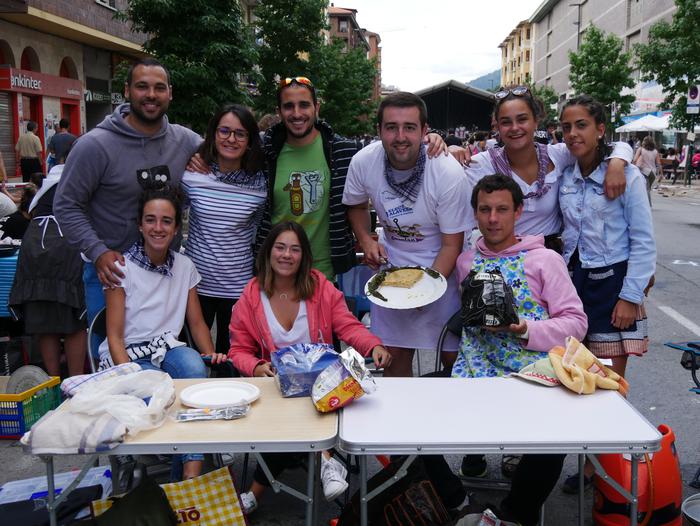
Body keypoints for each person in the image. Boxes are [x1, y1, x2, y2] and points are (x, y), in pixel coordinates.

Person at [229, 221, 392, 513]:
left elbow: (348, 326)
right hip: (277, 385)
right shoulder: (251, 296)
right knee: (288, 413)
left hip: (322, 383)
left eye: (294, 249)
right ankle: (326, 462)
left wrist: (373, 346)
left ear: (303, 255)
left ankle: (255, 492)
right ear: (268, 252)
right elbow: (238, 350)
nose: (286, 255)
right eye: (280, 247)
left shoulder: (321, 288)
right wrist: (255, 366)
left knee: (297, 416)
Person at [453, 173, 586, 526]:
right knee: (408, 421)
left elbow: (576, 323)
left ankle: (512, 514)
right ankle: (454, 499)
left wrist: (526, 328)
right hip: (474, 373)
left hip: (531, 375)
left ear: (518, 212)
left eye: (501, 209)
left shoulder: (545, 260)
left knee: (556, 439)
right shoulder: (465, 263)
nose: (493, 218)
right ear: (475, 214)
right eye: (485, 210)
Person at [54, 58, 203, 343]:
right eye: (142, 86)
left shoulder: (186, 142)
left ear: (170, 93)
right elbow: (66, 205)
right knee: (110, 359)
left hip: (164, 277)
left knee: (166, 357)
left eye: (159, 88)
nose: (151, 95)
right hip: (110, 273)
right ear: (127, 90)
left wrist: (205, 163)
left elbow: (228, 156)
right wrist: (97, 251)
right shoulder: (94, 146)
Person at [254, 76, 448, 282]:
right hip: (274, 273)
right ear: (279, 111)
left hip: (325, 275)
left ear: (316, 108)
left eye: (304, 105)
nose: (296, 113)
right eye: (288, 106)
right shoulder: (264, 153)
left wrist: (438, 141)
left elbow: (394, 148)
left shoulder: (344, 151)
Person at [558, 95, 656, 491]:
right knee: (575, 380)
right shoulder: (565, 175)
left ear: (600, 130)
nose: (572, 133)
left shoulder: (627, 177)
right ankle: (590, 461)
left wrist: (631, 297)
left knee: (608, 385)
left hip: (613, 286)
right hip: (573, 284)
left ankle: (599, 471)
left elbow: (644, 242)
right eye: (566, 127)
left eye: (581, 125)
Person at [102, 185, 227, 479]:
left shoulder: (184, 265)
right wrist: (131, 376)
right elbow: (115, 337)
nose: (158, 228)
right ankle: (189, 475)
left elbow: (197, 323)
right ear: (140, 225)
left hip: (168, 348)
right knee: (160, 396)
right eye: (150, 220)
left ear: (176, 228)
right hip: (129, 355)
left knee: (194, 369)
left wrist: (210, 355)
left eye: (166, 221)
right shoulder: (121, 268)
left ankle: (187, 473)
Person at [344, 92, 471, 377]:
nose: (400, 137)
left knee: (453, 358)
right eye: (391, 127)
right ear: (379, 130)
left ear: (425, 131)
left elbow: (452, 244)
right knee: (393, 357)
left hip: (442, 268)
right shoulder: (364, 161)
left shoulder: (447, 171)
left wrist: (423, 292)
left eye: (409, 127)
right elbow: (356, 204)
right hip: (392, 269)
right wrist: (366, 239)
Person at [463, 85, 631, 252]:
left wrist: (616, 164)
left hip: (550, 258)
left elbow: (609, 146)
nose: (514, 128)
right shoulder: (480, 165)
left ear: (536, 121)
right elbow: (460, 219)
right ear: (497, 127)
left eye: (522, 119)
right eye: (506, 122)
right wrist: (451, 152)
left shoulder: (558, 155)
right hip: (501, 258)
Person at [181, 104, 267, 355]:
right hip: (196, 286)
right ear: (213, 134)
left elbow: (259, 231)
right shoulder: (192, 175)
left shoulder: (261, 184)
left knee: (232, 362)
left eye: (240, 133)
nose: (231, 139)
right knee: (193, 360)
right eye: (224, 131)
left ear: (249, 140)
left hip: (239, 288)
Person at [9, 153, 86, 378]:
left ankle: (52, 382)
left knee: (44, 320)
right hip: (66, 243)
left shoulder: (48, 184)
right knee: (73, 320)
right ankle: (74, 382)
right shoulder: (80, 178)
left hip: (35, 245)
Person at [633, 136, 662, 205]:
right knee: (648, 188)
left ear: (644, 142)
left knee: (646, 188)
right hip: (653, 173)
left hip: (644, 171)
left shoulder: (640, 149)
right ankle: (645, 203)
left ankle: (648, 204)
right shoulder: (655, 151)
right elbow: (658, 163)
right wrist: (661, 174)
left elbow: (634, 160)